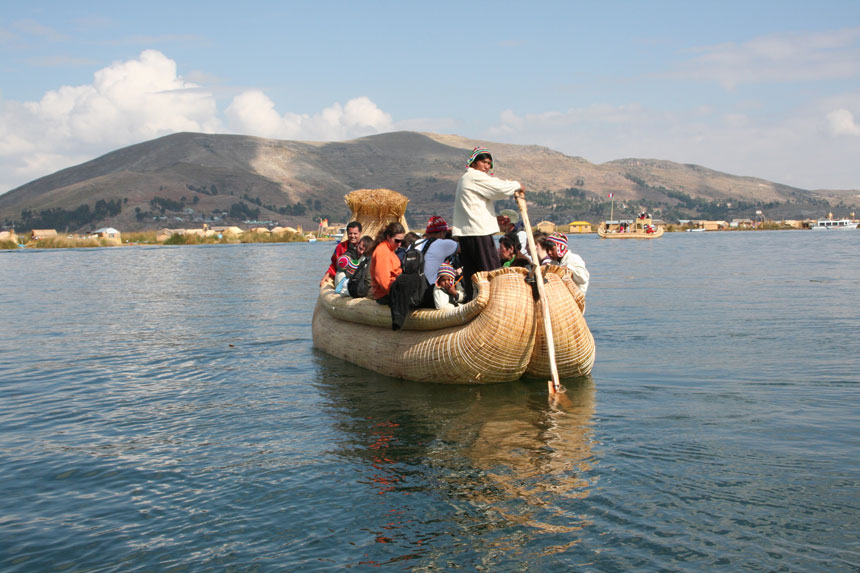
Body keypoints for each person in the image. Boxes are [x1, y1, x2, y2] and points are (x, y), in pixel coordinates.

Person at [452, 147, 525, 300]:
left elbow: (475, 207)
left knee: (473, 272)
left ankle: (472, 301)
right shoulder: (473, 176)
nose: (487, 167)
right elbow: (498, 188)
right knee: (490, 271)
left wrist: (495, 220)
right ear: (474, 162)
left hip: (469, 233)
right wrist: (516, 185)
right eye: (484, 162)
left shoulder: (467, 179)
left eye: (489, 164)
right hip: (478, 233)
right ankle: (495, 302)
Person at [410, 216, 460, 307]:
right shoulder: (443, 244)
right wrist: (454, 232)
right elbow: (464, 248)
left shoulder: (413, 244)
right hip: (428, 296)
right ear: (442, 233)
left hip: (410, 294)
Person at [369, 222, 405, 304]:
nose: (399, 244)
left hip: (391, 289)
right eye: (397, 241)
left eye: (401, 241)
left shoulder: (390, 250)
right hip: (385, 294)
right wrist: (399, 295)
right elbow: (383, 280)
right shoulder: (383, 251)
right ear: (388, 237)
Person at [321, 221, 362, 286]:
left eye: (355, 233)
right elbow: (334, 263)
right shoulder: (341, 247)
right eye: (350, 233)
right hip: (344, 275)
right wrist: (328, 274)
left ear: (360, 233)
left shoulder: (365, 246)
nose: (352, 236)